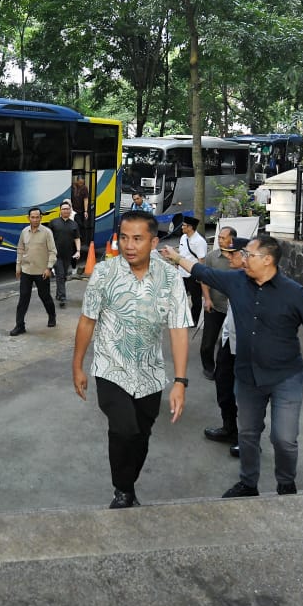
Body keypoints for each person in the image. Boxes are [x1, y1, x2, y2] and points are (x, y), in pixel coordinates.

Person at [164, 234, 303, 498]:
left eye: (249, 255)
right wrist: (176, 257)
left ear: (267, 260)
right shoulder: (237, 282)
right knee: (248, 434)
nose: (243, 259)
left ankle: (286, 484)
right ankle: (248, 483)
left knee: (284, 439)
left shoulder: (294, 294)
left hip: (286, 377)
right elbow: (203, 271)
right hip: (247, 376)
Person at [70, 209, 192, 508]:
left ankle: (128, 485)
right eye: (124, 237)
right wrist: (77, 366)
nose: (129, 245)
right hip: (111, 367)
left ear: (153, 242)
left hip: (151, 372)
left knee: (142, 434)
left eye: (138, 238)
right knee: (124, 428)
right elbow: (88, 320)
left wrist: (180, 381)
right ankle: (122, 490)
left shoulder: (170, 278)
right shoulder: (104, 273)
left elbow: (178, 328)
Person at [199, 226, 239, 442]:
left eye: (224, 238)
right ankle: (228, 427)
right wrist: (207, 298)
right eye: (220, 237)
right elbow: (203, 276)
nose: (220, 240)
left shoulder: (243, 271)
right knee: (209, 345)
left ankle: (244, 439)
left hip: (241, 340)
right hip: (218, 314)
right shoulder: (213, 258)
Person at [11, 207, 58, 335]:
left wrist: (48, 268)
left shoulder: (47, 232)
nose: (35, 219)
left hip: (42, 272)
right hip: (26, 271)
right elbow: (20, 249)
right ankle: (20, 325)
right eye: (33, 217)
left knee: (45, 296)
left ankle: (52, 315)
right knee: (23, 298)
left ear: (41, 218)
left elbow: (53, 251)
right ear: (29, 218)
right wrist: (18, 266)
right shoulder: (24, 232)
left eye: (37, 217)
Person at [48, 199, 83, 307]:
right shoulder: (53, 222)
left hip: (68, 255)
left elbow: (77, 238)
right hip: (55, 255)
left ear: (70, 210)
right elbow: (47, 238)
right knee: (60, 274)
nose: (66, 211)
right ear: (60, 210)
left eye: (68, 209)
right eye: (63, 209)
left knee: (62, 276)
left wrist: (78, 251)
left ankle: (59, 294)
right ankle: (63, 297)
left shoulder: (74, 224)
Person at [176, 215, 208, 326]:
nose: (182, 227)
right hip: (181, 272)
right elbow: (181, 254)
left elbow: (201, 259)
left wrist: (200, 276)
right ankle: (182, 317)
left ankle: (194, 319)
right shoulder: (183, 238)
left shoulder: (199, 241)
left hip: (193, 274)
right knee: (180, 297)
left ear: (190, 227)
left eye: (184, 226)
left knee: (196, 299)